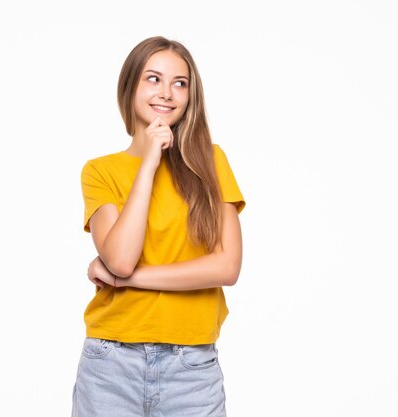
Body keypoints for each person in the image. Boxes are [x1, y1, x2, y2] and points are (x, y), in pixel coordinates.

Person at [71, 35, 245, 417]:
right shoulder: (101, 170)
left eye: (180, 83)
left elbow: (226, 267)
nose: (167, 93)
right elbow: (119, 258)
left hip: (192, 369)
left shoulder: (211, 162)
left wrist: (127, 279)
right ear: (130, 85)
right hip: (111, 364)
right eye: (153, 79)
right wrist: (149, 162)